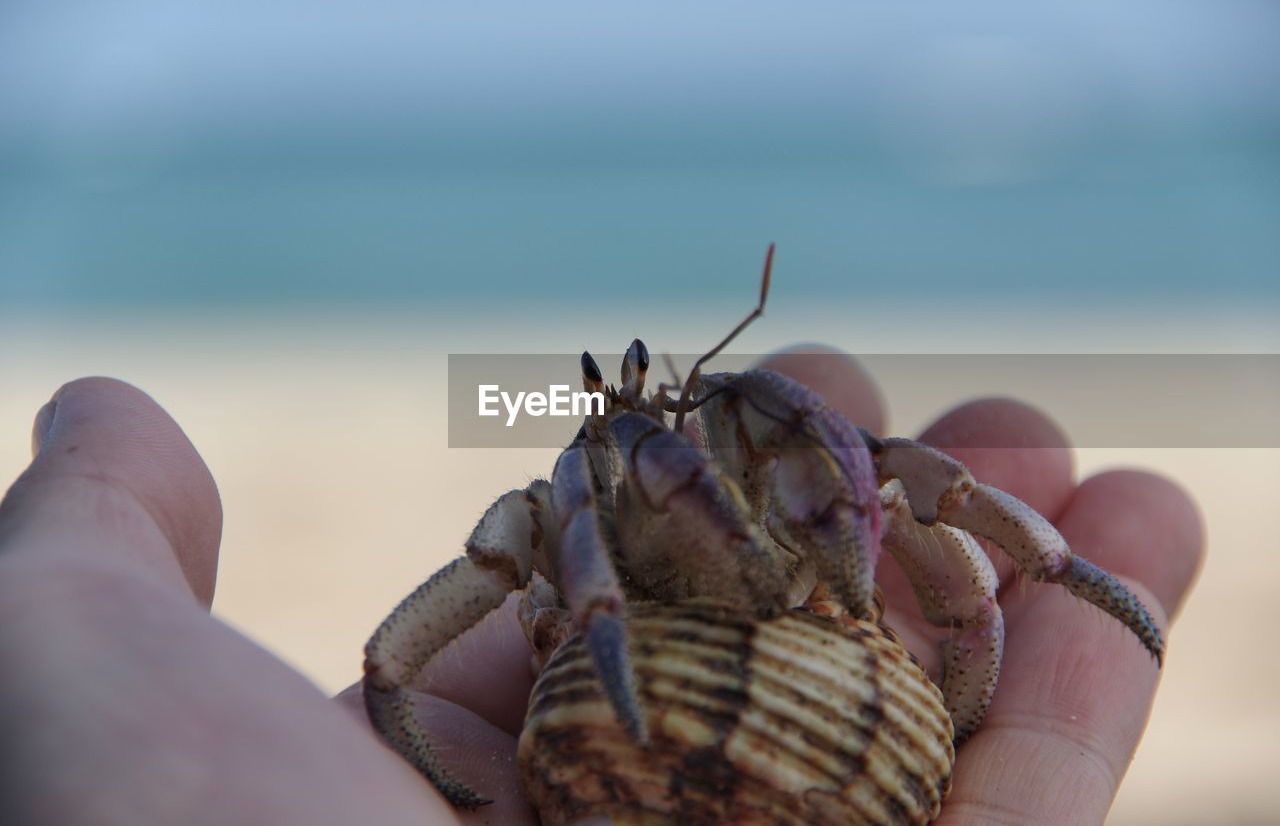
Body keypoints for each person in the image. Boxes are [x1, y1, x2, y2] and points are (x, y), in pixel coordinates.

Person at [0, 351, 1202, 826]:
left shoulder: (737, 440)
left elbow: (887, 492)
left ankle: (1062, 579)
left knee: (887, 484)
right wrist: (413, 737)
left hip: (705, 702)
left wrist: (1044, 571)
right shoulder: (569, 496)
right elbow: (394, 656)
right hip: (619, 682)